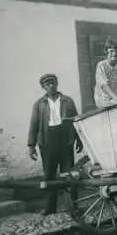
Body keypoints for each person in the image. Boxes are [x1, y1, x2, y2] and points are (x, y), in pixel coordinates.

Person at [27, 74, 83, 215]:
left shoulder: (68, 101)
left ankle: (72, 205)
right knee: (49, 176)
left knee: (69, 174)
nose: (50, 86)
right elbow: (34, 125)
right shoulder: (39, 104)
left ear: (57, 84)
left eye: (52, 83)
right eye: (47, 84)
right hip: (47, 141)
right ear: (44, 87)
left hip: (65, 139)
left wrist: (79, 140)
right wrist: (31, 146)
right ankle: (50, 207)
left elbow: (76, 121)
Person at [94, 37, 117, 108]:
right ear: (106, 52)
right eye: (111, 51)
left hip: (115, 96)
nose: (114, 54)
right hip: (103, 98)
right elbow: (104, 85)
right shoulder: (101, 65)